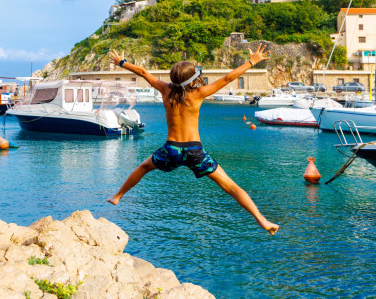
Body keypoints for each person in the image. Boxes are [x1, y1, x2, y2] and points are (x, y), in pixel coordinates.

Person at [106, 45, 279, 235]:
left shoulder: (165, 90)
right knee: (230, 186)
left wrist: (122, 63)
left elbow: (143, 72)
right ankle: (261, 220)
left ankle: (117, 196)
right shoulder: (198, 93)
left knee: (143, 168)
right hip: (195, 151)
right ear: (193, 78)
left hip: (171, 149)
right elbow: (228, 78)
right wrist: (251, 62)